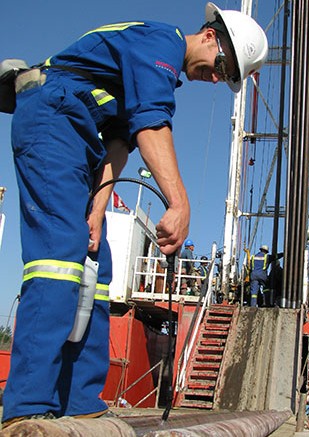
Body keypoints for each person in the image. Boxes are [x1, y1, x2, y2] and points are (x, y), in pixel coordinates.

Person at [2, 2, 268, 428]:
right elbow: (150, 126)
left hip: (79, 137)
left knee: (95, 263)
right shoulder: (159, 42)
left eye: (226, 77)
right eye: (223, 65)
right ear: (211, 35)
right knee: (58, 257)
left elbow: (120, 143)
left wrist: (98, 206)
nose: (216, 78)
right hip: (52, 117)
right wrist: (179, 203)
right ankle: (27, 406)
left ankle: (78, 400)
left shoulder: (158, 74)